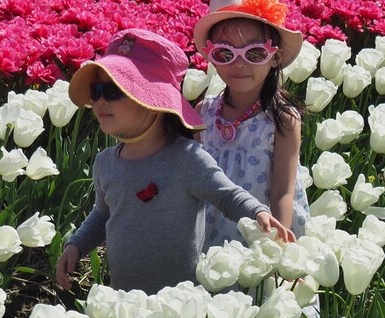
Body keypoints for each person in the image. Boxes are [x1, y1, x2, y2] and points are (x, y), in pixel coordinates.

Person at [55, 28, 295, 295]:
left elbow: (227, 196)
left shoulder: (187, 159)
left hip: (180, 305)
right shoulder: (106, 163)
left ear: (152, 101)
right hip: (124, 301)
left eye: (113, 90)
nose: (99, 100)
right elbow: (102, 214)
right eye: (95, 90)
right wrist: (76, 245)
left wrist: (258, 212)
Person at [193, 0, 318, 318]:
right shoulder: (201, 113)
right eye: (225, 53)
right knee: (215, 315)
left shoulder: (282, 120)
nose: (239, 64)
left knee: (261, 308)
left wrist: (278, 247)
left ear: (274, 56)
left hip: (265, 229)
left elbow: (283, 191)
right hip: (212, 229)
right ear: (210, 55)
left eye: (254, 53)